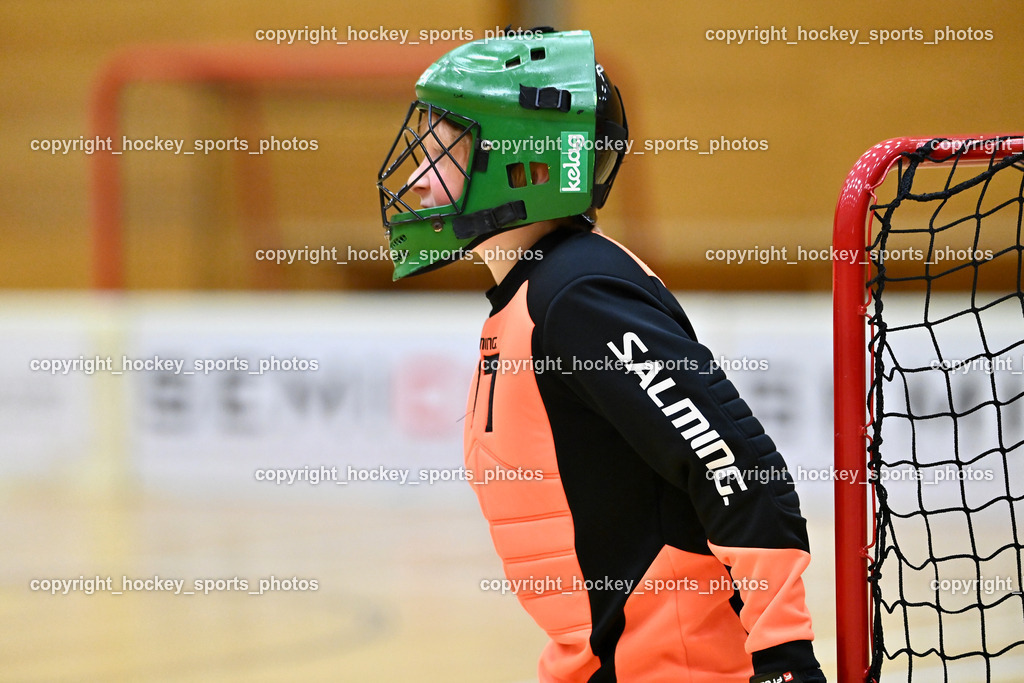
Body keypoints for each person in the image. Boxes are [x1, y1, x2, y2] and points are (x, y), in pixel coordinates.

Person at [376, 28, 827, 683]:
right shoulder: (534, 294)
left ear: (517, 161)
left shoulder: (578, 295)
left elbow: (737, 467)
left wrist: (785, 660)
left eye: (439, 153)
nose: (416, 180)